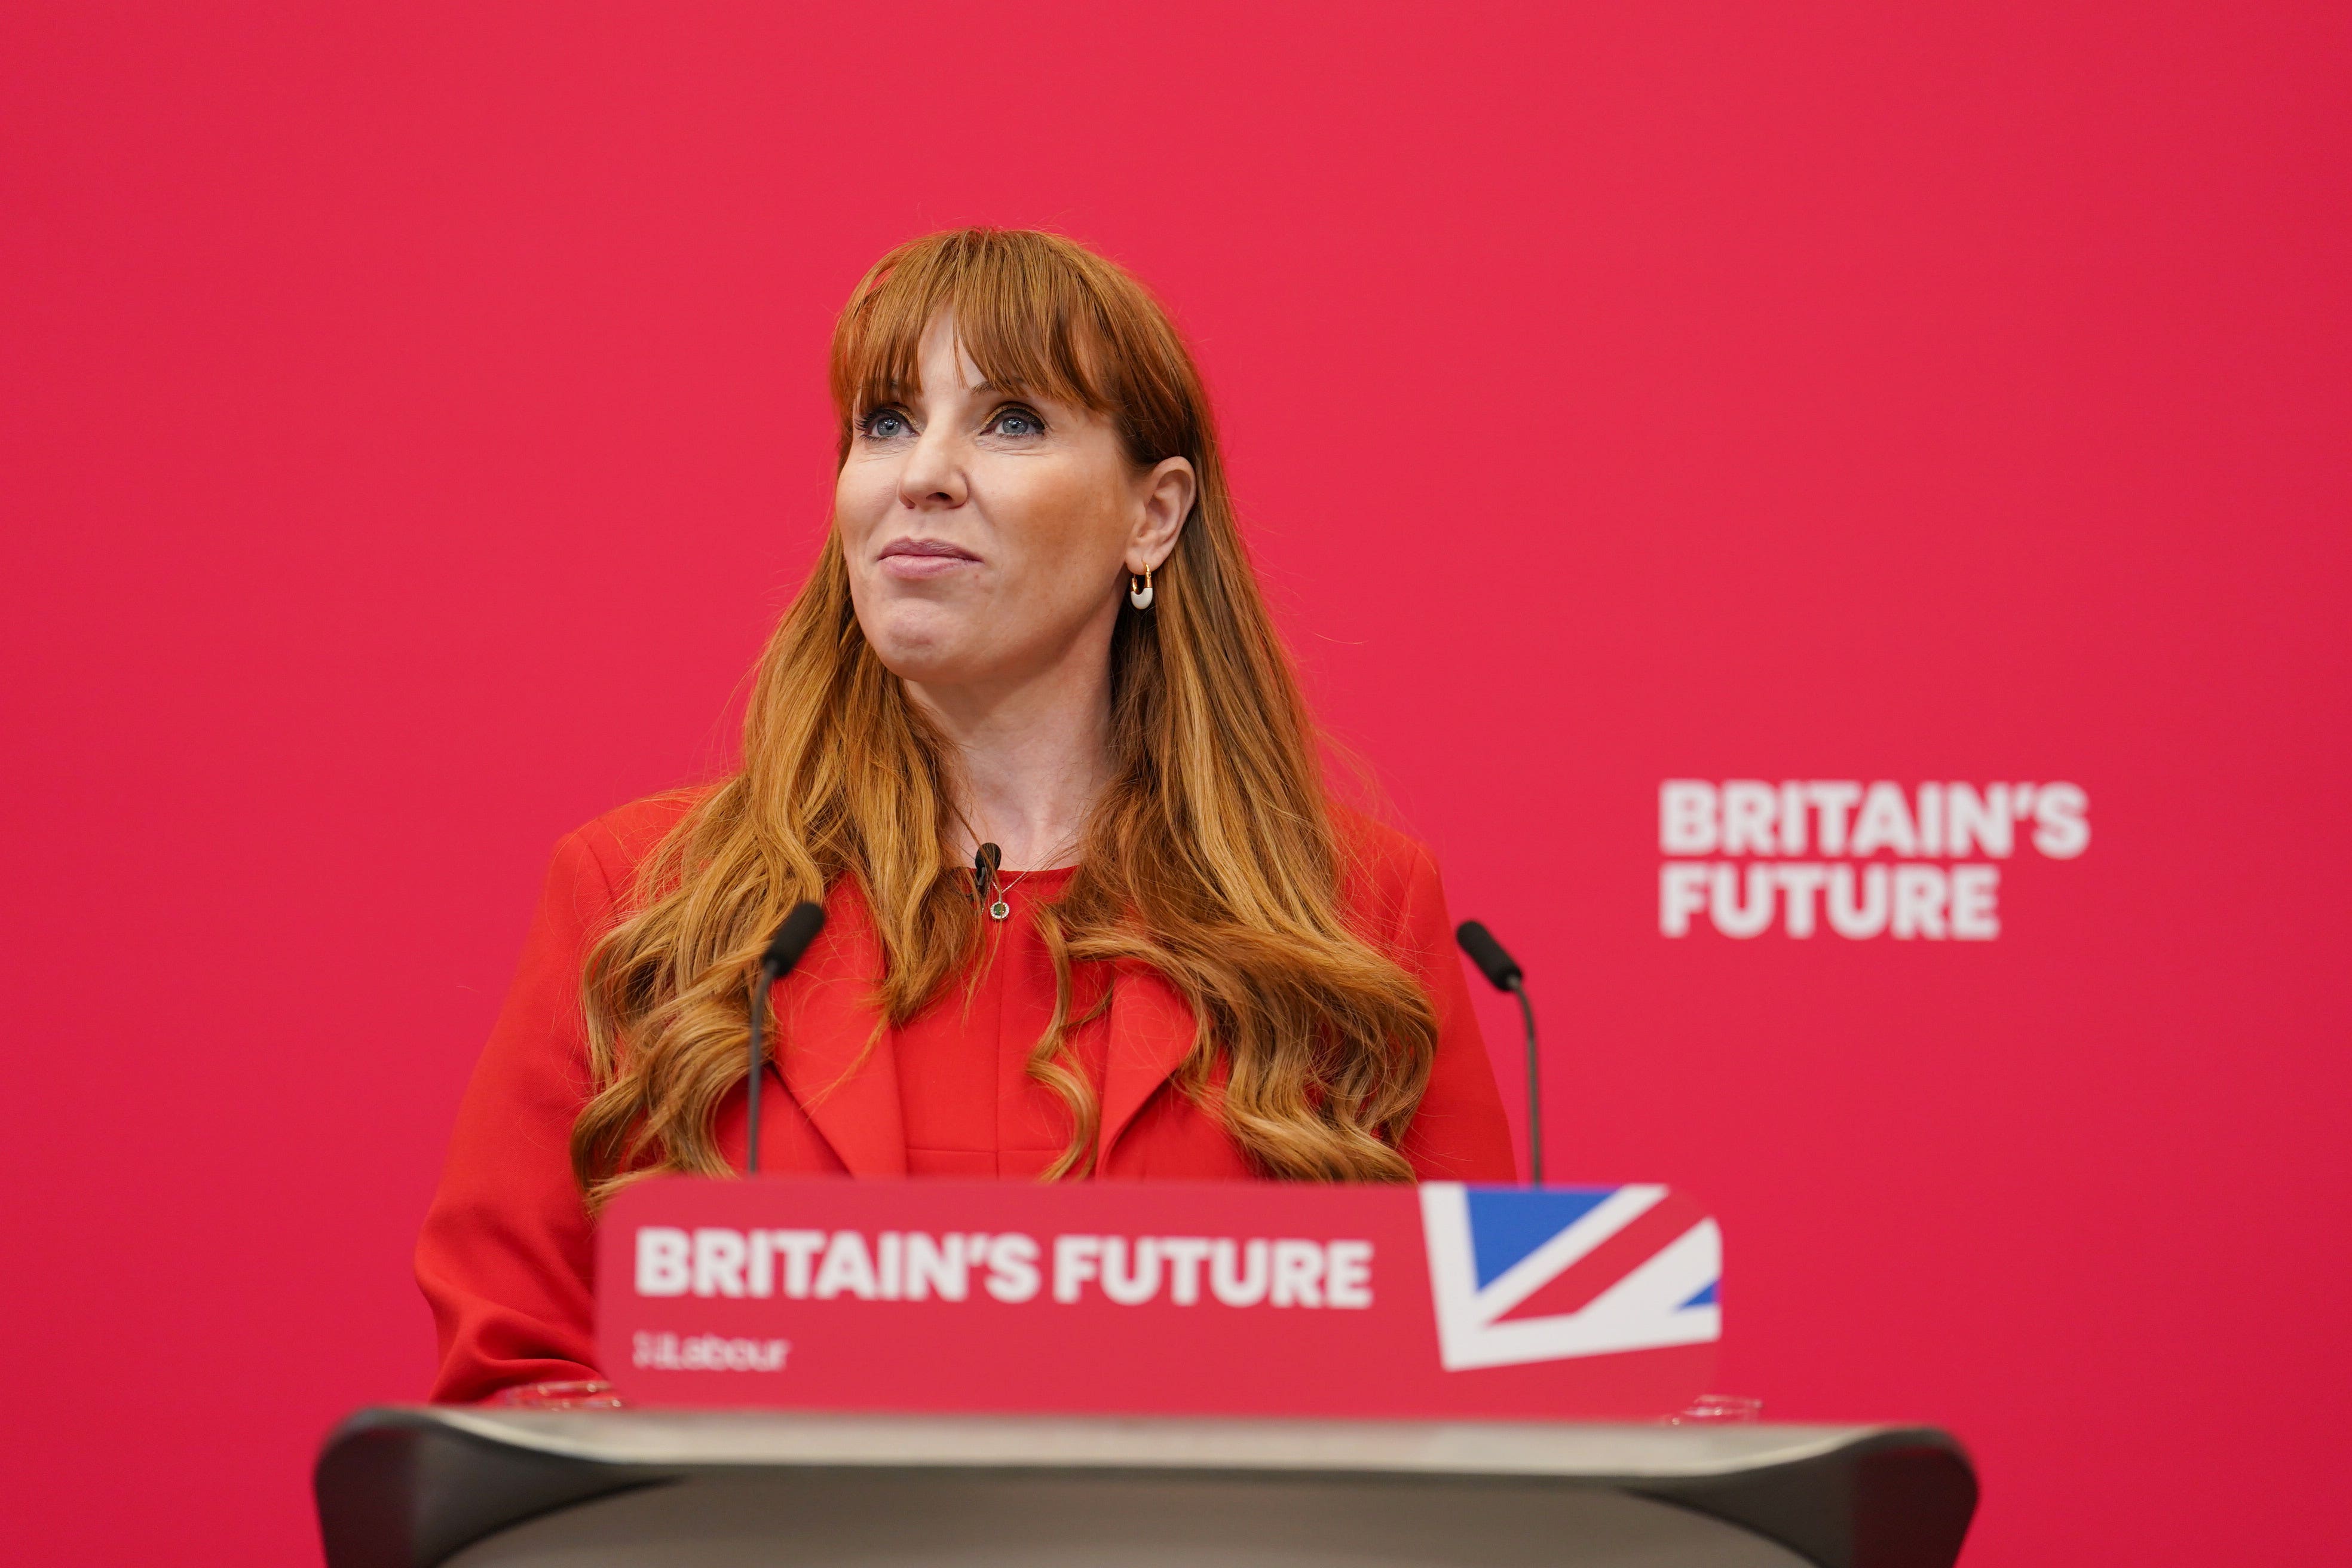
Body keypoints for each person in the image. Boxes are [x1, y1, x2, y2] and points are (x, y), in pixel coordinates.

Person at [416, 228, 1515, 1402]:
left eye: (1010, 420)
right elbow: (513, 1379)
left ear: (1154, 516)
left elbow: (1490, 1391)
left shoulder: (1354, 915)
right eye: (886, 423)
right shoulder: (644, 898)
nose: (920, 474)